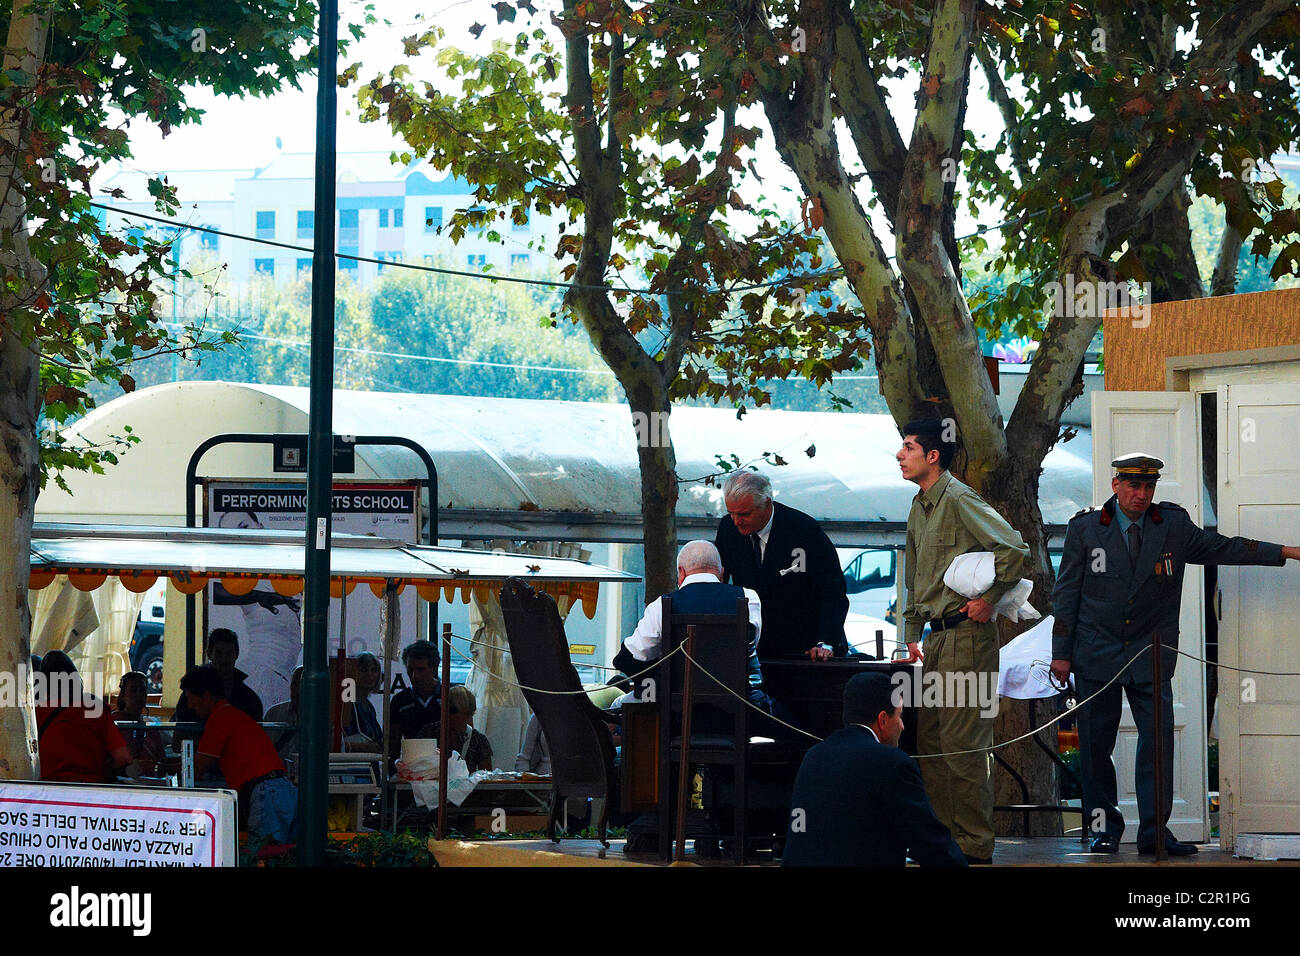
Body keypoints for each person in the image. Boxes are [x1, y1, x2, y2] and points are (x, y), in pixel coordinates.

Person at [1051, 452, 1300, 856]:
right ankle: (1103, 829)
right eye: (1133, 485)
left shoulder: (1172, 525)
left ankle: (1154, 832)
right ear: (1116, 485)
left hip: (1151, 653)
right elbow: (1065, 596)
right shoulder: (1085, 529)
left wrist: (1285, 551)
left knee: (1158, 744)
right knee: (1096, 745)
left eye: (1148, 487)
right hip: (1096, 653)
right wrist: (1060, 654)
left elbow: (1224, 547)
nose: (1141, 494)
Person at [897, 418, 1029, 865]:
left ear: (932, 456)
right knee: (931, 746)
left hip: (967, 638)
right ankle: (944, 844)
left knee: (963, 747)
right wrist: (911, 634)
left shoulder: (958, 498)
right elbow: (916, 575)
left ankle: (973, 848)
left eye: (909, 448)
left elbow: (1014, 548)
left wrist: (990, 600)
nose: (900, 455)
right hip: (935, 641)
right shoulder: (920, 505)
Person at [783, 672, 966, 867]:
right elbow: (932, 843)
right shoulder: (893, 764)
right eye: (900, 716)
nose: (903, 726)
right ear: (883, 720)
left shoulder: (813, 756)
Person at [612, 539, 771, 714]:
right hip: (742, 712)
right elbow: (749, 648)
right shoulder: (749, 598)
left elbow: (628, 659)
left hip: (679, 717)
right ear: (722, 572)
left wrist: (659, 677)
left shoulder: (662, 605)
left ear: (681, 571)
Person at [714, 470, 849, 660]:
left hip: (803, 650)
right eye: (731, 513)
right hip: (754, 648)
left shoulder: (804, 530)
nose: (737, 522)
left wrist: (825, 641)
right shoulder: (728, 529)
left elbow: (833, 591)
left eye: (744, 514)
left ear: (767, 503)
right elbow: (718, 583)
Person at [181, 665, 297, 843]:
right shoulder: (233, 715)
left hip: (265, 794)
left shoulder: (220, 719)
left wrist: (160, 770)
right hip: (281, 790)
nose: (189, 706)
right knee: (282, 857)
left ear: (206, 696)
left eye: (191, 698)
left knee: (262, 855)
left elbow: (196, 769)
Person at [36, 651, 136, 783]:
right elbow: (123, 758)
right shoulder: (95, 708)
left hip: (48, 793)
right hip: (90, 792)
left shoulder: (36, 713)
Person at [171, 628, 264, 752]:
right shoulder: (191, 696)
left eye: (229, 653)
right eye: (219, 653)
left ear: (236, 654)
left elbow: (256, 743)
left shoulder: (249, 699)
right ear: (209, 654)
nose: (224, 660)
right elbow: (178, 744)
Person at [417, 684, 493, 773]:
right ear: (447, 712)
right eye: (465, 715)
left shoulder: (479, 741)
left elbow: (486, 779)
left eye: (469, 715)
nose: (468, 720)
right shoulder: (427, 734)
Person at [388, 640, 443, 760]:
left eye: (421, 670)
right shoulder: (400, 700)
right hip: (412, 769)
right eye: (410, 669)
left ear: (434, 668)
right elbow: (392, 745)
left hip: (447, 768)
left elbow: (466, 738)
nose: (414, 676)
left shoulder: (450, 696)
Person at [115, 671, 165, 776]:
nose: (139, 694)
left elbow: (161, 759)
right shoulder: (114, 723)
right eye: (133, 690)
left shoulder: (150, 727)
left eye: (142, 690)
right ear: (123, 695)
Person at [342, 652, 383, 753]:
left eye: (374, 670)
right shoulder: (346, 703)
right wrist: (369, 747)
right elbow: (336, 744)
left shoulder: (369, 707)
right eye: (363, 670)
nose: (369, 674)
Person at [263, 666, 302, 765]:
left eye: (302, 685)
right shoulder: (273, 714)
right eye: (294, 684)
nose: (297, 690)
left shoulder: (324, 720)